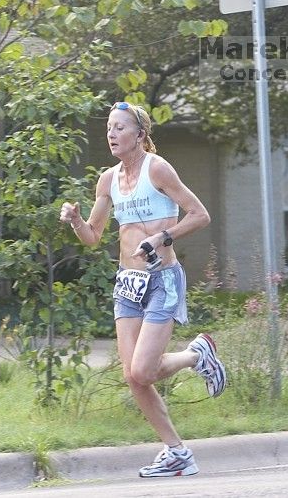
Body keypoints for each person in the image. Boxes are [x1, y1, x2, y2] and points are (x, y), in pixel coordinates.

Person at [59, 101, 226, 478]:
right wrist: (74, 220)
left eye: (120, 128)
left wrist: (161, 237)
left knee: (144, 370)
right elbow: (93, 235)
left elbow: (200, 214)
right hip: (127, 283)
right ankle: (177, 452)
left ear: (140, 134)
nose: (112, 134)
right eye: (109, 128)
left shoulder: (158, 168)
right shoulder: (108, 179)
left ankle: (196, 356)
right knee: (133, 377)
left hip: (162, 279)